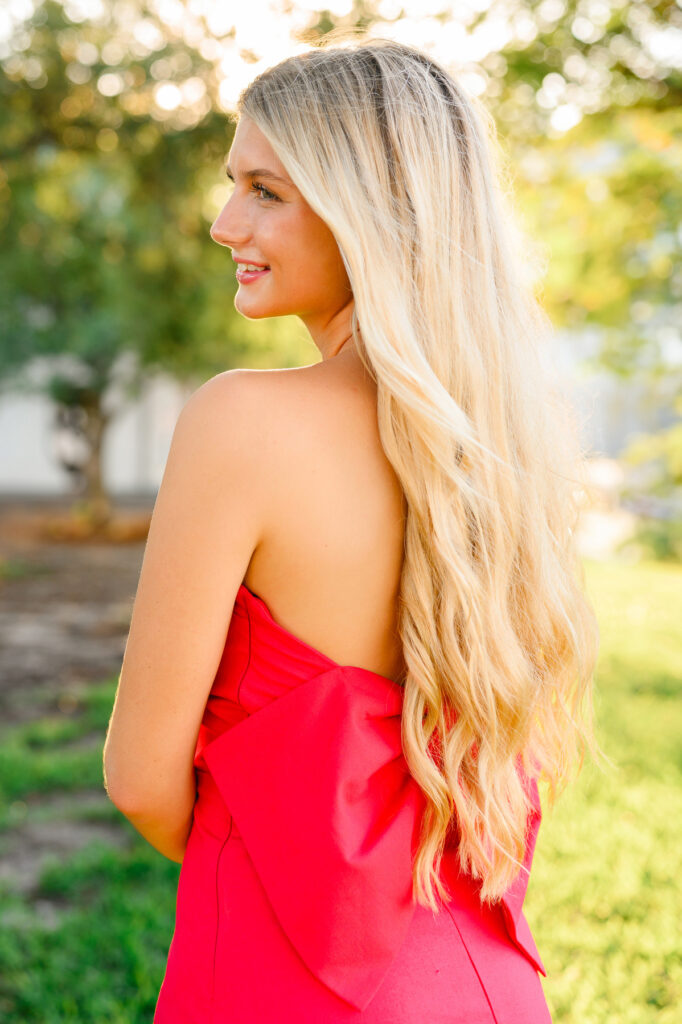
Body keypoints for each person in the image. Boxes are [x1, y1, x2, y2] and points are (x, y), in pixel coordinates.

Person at [103, 37, 602, 1023]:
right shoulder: (511, 437)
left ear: (367, 210)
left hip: (291, 968)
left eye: (265, 191)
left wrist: (277, 840)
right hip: (487, 978)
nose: (222, 222)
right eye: (230, 185)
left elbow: (138, 776)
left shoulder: (240, 421)